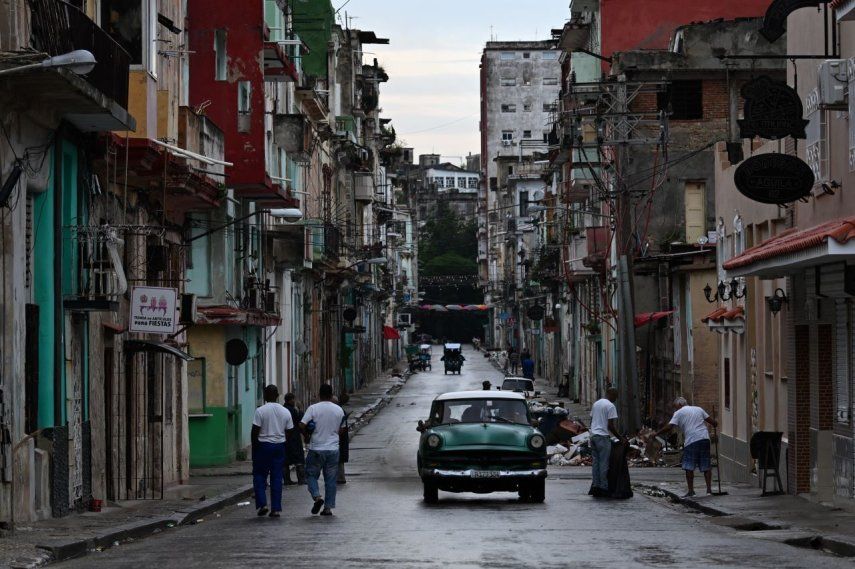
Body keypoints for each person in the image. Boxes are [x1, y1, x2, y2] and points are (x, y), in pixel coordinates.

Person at [652, 397, 717, 497]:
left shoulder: (679, 413)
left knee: (689, 466)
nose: (675, 409)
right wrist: (715, 423)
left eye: (675, 407)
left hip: (692, 440)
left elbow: (669, 427)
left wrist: (657, 433)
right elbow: (712, 422)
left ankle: (691, 491)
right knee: (706, 465)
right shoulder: (698, 409)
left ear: (680, 405)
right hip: (704, 438)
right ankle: (709, 491)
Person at [300, 384, 346, 516]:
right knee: (331, 480)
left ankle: (317, 496)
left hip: (316, 449)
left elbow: (301, 424)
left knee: (310, 474)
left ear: (319, 394)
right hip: (333, 449)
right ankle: (328, 508)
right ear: (331, 395)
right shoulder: (338, 410)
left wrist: (307, 436)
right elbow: (342, 429)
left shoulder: (313, 408)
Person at [251, 384, 293, 517]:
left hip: (263, 446)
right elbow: (290, 430)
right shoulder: (285, 411)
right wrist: (282, 439)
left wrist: (255, 447)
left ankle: (263, 504)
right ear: (277, 396)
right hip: (279, 446)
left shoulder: (260, 411)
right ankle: (276, 509)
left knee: (259, 475)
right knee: (276, 477)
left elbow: (254, 432)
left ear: (265, 396)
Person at [588, 387, 623, 498]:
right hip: (602, 437)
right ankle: (604, 487)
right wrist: (620, 438)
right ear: (611, 395)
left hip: (593, 436)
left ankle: (596, 486)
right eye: (615, 397)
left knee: (596, 463)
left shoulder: (596, 403)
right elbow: (610, 425)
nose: (616, 399)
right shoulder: (610, 406)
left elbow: (592, 419)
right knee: (604, 463)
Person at [282, 393, 305, 485]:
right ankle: (301, 479)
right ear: (290, 400)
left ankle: (287, 480)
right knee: (299, 459)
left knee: (285, 460)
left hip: (284, 437)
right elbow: (300, 421)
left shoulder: (283, 410)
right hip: (294, 437)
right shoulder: (293, 410)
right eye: (293, 399)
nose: (294, 401)